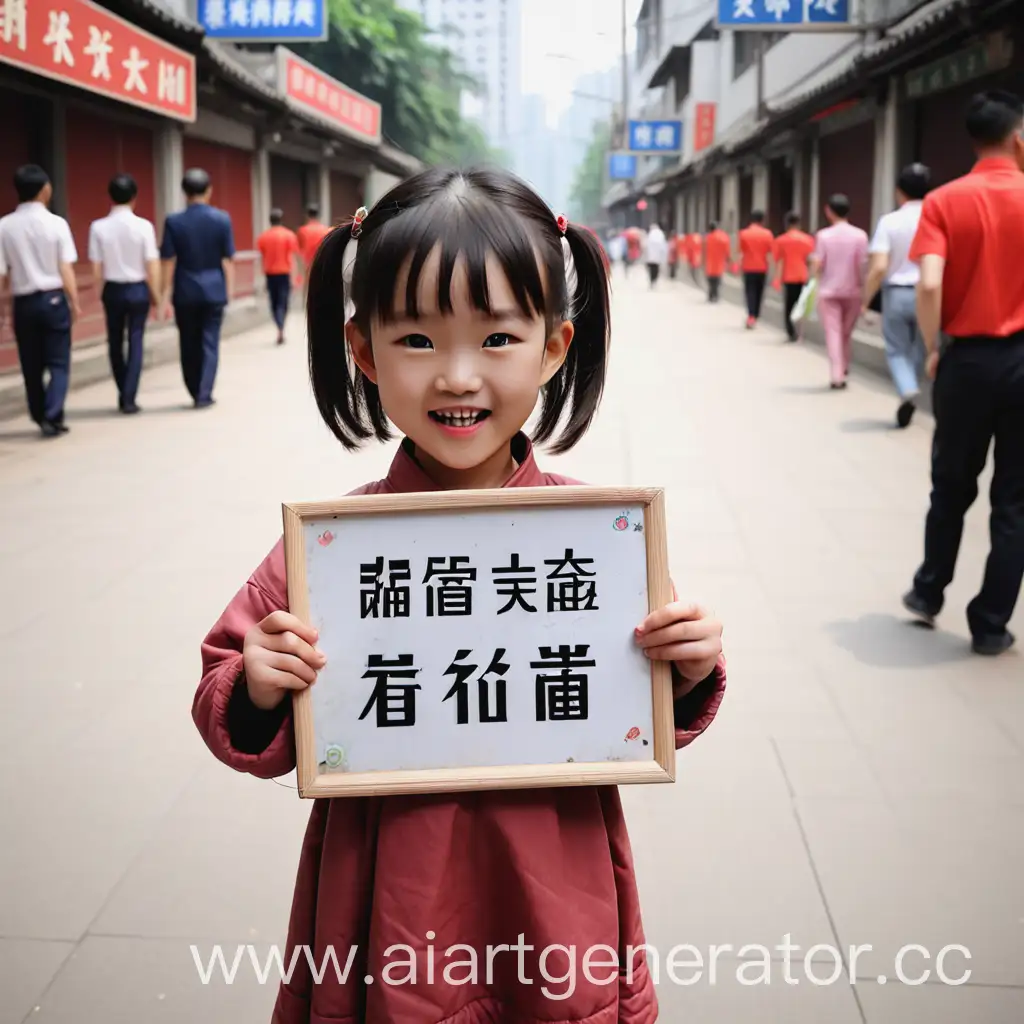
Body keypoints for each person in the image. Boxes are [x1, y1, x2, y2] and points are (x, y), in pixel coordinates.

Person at [191, 167, 727, 1024]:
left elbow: (652, 700)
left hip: (554, 871)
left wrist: (688, 663)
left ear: (555, 347)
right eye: (417, 342)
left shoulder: (597, 539)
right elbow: (226, 691)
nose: (457, 377)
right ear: (362, 351)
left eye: (498, 339)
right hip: (385, 879)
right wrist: (257, 683)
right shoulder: (331, 545)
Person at [902, 90, 1024, 656]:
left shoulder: (946, 200)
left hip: (967, 361)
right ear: (1018, 138)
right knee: (1015, 502)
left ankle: (929, 592)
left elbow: (930, 282)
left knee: (950, 486)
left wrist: (935, 345)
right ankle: (991, 624)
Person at [0, 164, 80, 437]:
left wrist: (3, 309)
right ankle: (52, 412)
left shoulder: (4, 226)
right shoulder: (57, 224)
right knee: (59, 362)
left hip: (23, 303)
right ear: (45, 189)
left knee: (31, 364)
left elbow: (2, 274)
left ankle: (41, 414)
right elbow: (65, 268)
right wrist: (75, 301)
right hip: (54, 299)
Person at [159, 168, 235, 409]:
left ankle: (194, 389)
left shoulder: (173, 221)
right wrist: (229, 291)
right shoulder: (222, 219)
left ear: (184, 193)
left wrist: (163, 296)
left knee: (188, 342)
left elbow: (168, 260)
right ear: (209, 190)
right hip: (214, 289)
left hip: (185, 291)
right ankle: (204, 392)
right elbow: (228, 260)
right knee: (210, 341)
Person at [863, 163, 931, 428]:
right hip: (929, 292)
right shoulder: (937, 217)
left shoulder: (889, 221)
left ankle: (906, 388)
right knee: (921, 349)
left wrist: (867, 300)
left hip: (897, 294)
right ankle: (911, 387)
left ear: (898, 191)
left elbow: (879, 266)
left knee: (896, 349)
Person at [88, 173, 160, 414]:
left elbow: (97, 268)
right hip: (138, 287)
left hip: (113, 288)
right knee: (136, 339)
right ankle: (129, 396)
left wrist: (100, 294)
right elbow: (151, 265)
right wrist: (157, 296)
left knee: (115, 342)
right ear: (134, 197)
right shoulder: (144, 226)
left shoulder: (97, 227)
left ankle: (122, 389)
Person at [810, 194, 868, 389]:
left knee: (833, 333)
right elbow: (862, 266)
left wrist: (814, 277)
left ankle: (837, 374)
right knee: (845, 333)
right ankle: (844, 367)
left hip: (828, 292)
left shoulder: (823, 236)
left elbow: (817, 264)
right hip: (853, 292)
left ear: (828, 211)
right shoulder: (860, 236)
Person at [256, 208, 299, 345]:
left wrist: (260, 277)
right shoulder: (289, 235)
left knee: (274, 303)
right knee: (283, 302)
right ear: (281, 219)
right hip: (284, 273)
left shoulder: (263, 237)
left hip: (270, 275)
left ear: (270, 221)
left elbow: (261, 258)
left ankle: (279, 325)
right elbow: (291, 257)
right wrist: (294, 277)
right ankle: (281, 327)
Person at [772, 212, 816, 342]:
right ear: (799, 224)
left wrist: (777, 279)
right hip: (803, 276)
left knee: (789, 306)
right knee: (801, 305)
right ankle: (800, 332)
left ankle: (791, 332)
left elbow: (778, 261)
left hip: (788, 277)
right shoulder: (808, 240)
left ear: (786, 224)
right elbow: (811, 260)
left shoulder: (781, 240)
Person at [738, 209, 774, 329]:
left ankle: (751, 315)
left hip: (748, 267)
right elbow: (771, 252)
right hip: (762, 267)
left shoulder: (743, 233)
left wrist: (737, 266)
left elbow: (741, 251)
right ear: (762, 220)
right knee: (759, 292)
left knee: (750, 292)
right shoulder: (768, 234)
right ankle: (756, 315)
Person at [296, 202, 331, 290]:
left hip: (308, 266)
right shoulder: (326, 230)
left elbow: (299, 251)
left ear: (307, 215)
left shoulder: (302, 231)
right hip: (322, 264)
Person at [703, 221, 730, 303]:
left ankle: (711, 294)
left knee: (711, 281)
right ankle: (716, 295)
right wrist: (728, 259)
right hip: (719, 263)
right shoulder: (724, 237)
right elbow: (727, 250)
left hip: (709, 263)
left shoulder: (707, 238)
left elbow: (703, 251)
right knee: (717, 280)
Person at [644, 222, 668, 287]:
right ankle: (654, 280)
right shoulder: (661, 234)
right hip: (658, 257)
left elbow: (646, 246)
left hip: (650, 257)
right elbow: (663, 246)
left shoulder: (649, 235)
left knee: (651, 269)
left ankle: (652, 280)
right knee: (656, 269)